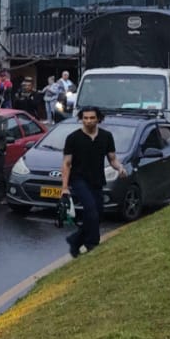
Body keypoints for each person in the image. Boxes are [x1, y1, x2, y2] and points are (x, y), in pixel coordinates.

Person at [61, 106, 127, 259]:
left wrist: (120, 168)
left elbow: (112, 159)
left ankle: (75, 240)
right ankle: (93, 246)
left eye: (92, 118)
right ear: (81, 119)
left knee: (98, 214)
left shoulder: (106, 136)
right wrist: (64, 187)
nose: (89, 121)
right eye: (85, 118)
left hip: (97, 180)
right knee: (90, 210)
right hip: (78, 180)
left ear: (98, 119)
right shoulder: (73, 138)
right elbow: (66, 163)